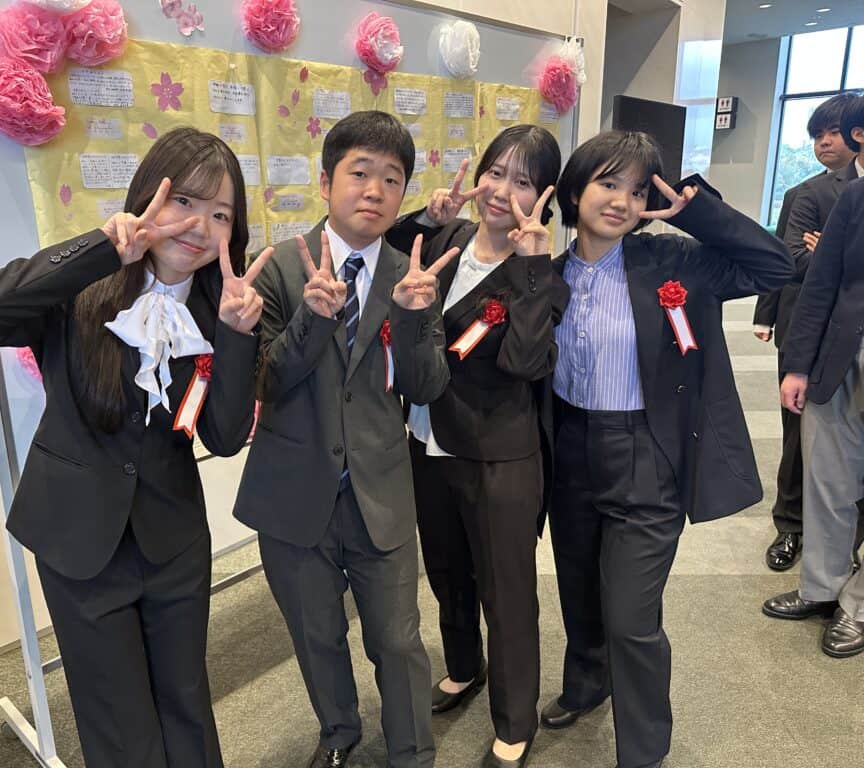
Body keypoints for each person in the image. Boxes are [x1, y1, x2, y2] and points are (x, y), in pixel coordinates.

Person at [0, 127, 270, 768]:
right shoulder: (82, 290)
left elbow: (223, 437)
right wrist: (102, 249)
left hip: (173, 541)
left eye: (220, 215)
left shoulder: (221, 310)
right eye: (185, 201)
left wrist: (238, 337)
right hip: (79, 541)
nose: (199, 227)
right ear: (149, 196)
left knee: (186, 703)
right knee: (117, 724)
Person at [539, 131, 790, 768]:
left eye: (635, 190)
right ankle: (587, 684)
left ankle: (644, 751)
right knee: (579, 590)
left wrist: (697, 211)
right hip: (570, 450)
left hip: (646, 454)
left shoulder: (673, 260)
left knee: (631, 616)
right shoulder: (548, 272)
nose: (620, 201)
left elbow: (776, 266)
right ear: (575, 190)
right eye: (607, 184)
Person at [234, 110, 458, 768]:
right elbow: (263, 382)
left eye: (392, 178)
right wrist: (310, 318)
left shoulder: (412, 276)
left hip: (379, 489)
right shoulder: (276, 269)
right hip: (292, 492)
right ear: (326, 181)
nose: (375, 190)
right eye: (360, 173)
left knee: (398, 639)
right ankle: (338, 734)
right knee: (316, 634)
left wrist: (413, 319)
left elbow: (427, 387)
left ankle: (412, 752)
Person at [388, 126, 568, 768]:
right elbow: (386, 251)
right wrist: (426, 216)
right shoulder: (450, 239)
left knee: (506, 590)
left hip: (498, 455)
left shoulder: (543, 274)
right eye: (495, 173)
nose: (501, 191)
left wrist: (530, 266)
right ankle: (464, 665)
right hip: (425, 439)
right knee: (446, 571)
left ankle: (517, 721)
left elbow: (525, 362)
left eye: (522, 181)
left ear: (543, 196)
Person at [764, 96, 864, 657]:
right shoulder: (852, 198)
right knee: (827, 478)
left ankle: (858, 606)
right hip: (839, 356)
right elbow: (820, 283)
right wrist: (797, 364)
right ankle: (823, 587)